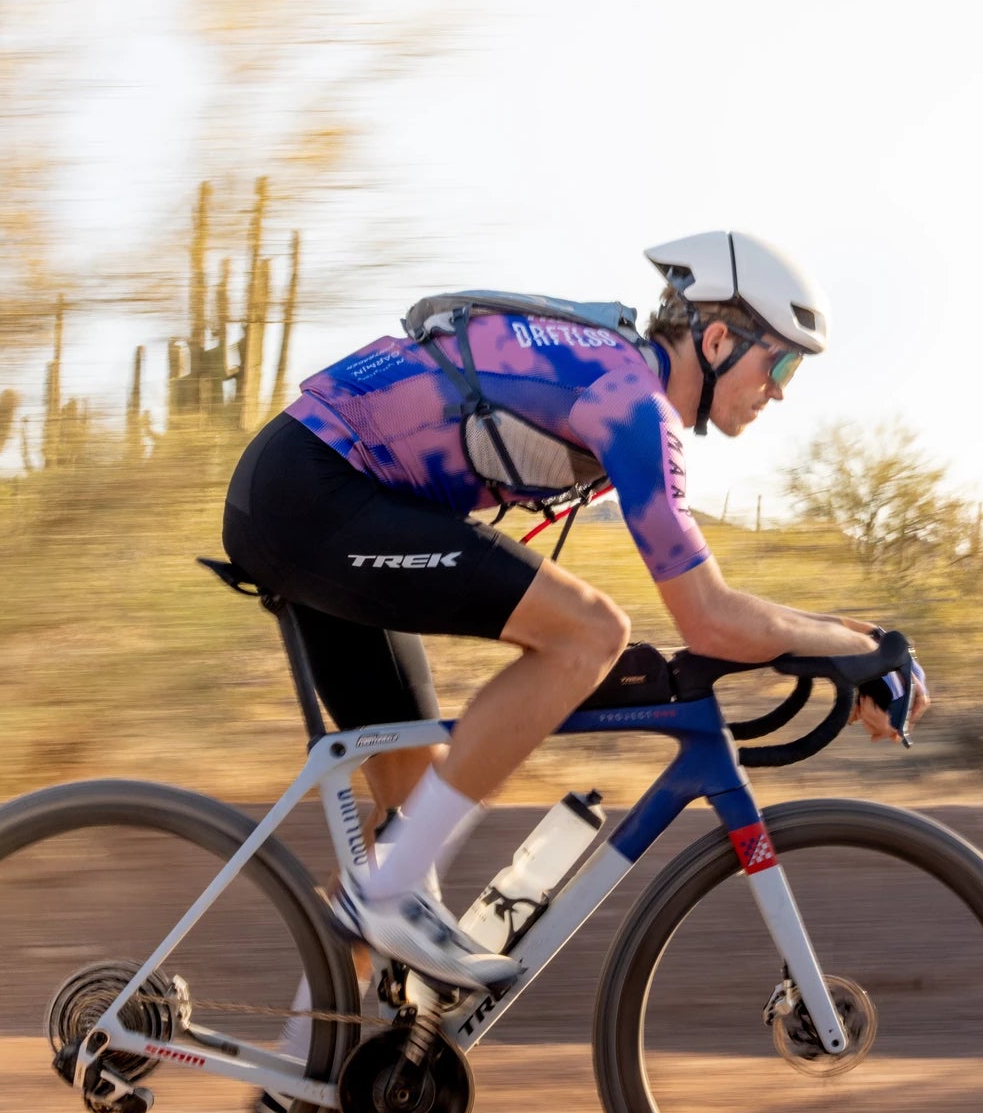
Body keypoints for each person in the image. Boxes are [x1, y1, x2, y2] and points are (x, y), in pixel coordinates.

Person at [221, 230, 928, 1065]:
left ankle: (295, 1074)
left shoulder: (615, 368)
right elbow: (709, 617)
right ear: (716, 338)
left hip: (315, 489)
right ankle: (383, 906)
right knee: (591, 633)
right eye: (778, 367)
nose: (778, 393)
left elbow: (721, 610)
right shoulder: (632, 400)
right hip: (314, 497)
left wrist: (849, 639)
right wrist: (854, 649)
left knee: (412, 806)